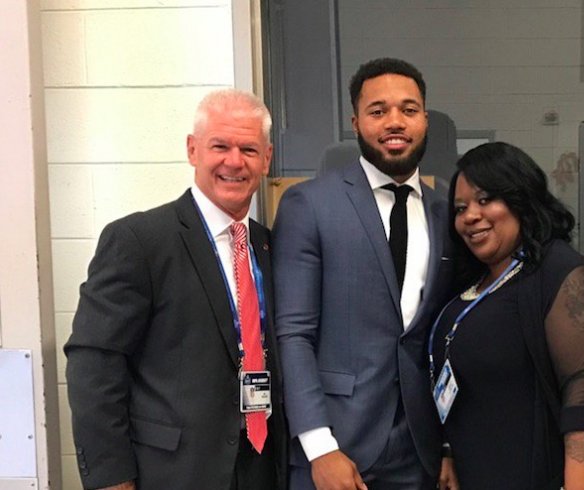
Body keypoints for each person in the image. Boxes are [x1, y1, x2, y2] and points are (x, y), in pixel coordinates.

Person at [65, 89, 287, 489]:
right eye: (220, 146)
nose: (234, 162)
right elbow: (95, 365)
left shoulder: (271, 247)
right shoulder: (139, 240)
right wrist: (111, 479)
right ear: (193, 150)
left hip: (263, 470)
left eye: (249, 150)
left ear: (266, 159)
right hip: (171, 473)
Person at [272, 58, 456, 489]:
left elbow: (443, 336)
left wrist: (445, 446)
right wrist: (320, 446)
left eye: (409, 110)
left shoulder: (445, 212)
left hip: (420, 454)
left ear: (424, 120)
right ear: (356, 123)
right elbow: (293, 334)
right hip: (336, 448)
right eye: (378, 111)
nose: (395, 122)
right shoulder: (309, 205)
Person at [430, 141, 584, 489]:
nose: (470, 216)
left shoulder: (562, 274)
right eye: (461, 208)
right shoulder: (473, 281)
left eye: (485, 200)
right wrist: (449, 450)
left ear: (521, 198)